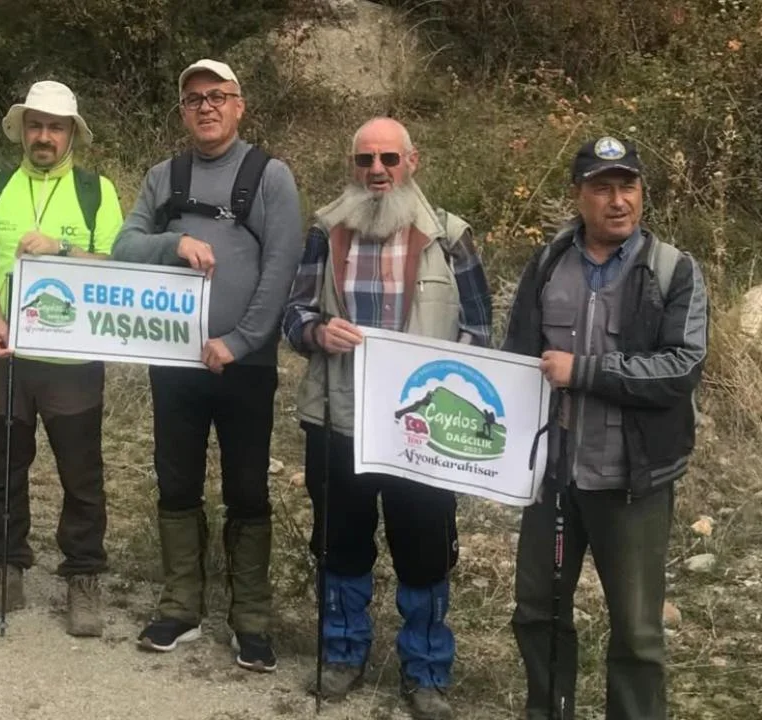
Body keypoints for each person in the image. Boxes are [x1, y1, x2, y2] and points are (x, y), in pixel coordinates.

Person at [281, 117, 492, 718]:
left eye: (389, 159)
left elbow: (480, 329)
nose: (377, 170)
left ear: (412, 161)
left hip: (421, 432)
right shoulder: (326, 231)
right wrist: (317, 331)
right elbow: (293, 316)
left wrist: (447, 381)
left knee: (425, 551)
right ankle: (343, 653)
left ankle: (425, 671)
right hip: (338, 418)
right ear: (352, 165)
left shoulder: (450, 236)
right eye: (365, 159)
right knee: (339, 544)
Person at [503, 137, 708, 720]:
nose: (618, 201)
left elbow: (682, 368)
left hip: (632, 482)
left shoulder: (673, 270)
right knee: (538, 611)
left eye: (628, 186)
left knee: (638, 633)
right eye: (602, 188)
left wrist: (585, 371)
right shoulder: (548, 263)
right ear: (578, 195)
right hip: (554, 480)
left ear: (642, 192)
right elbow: (516, 358)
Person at [111, 59, 303, 672]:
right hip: (173, 359)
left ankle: (251, 619)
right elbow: (124, 245)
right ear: (182, 111)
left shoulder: (270, 176)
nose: (207, 107)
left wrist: (240, 341)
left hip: (244, 365)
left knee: (247, 487)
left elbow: (281, 268)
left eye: (218, 96)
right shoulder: (163, 176)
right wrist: (174, 243)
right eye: (194, 98)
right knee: (176, 482)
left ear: (239, 105)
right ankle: (180, 607)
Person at [0, 80, 124, 637]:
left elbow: (116, 268)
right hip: (8, 351)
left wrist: (64, 250)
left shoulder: (97, 192)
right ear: (22, 130)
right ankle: (6, 571)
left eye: (56, 127)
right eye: (36, 125)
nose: (44, 136)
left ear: (72, 133)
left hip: (73, 359)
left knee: (81, 474)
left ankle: (83, 577)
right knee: (1, 466)